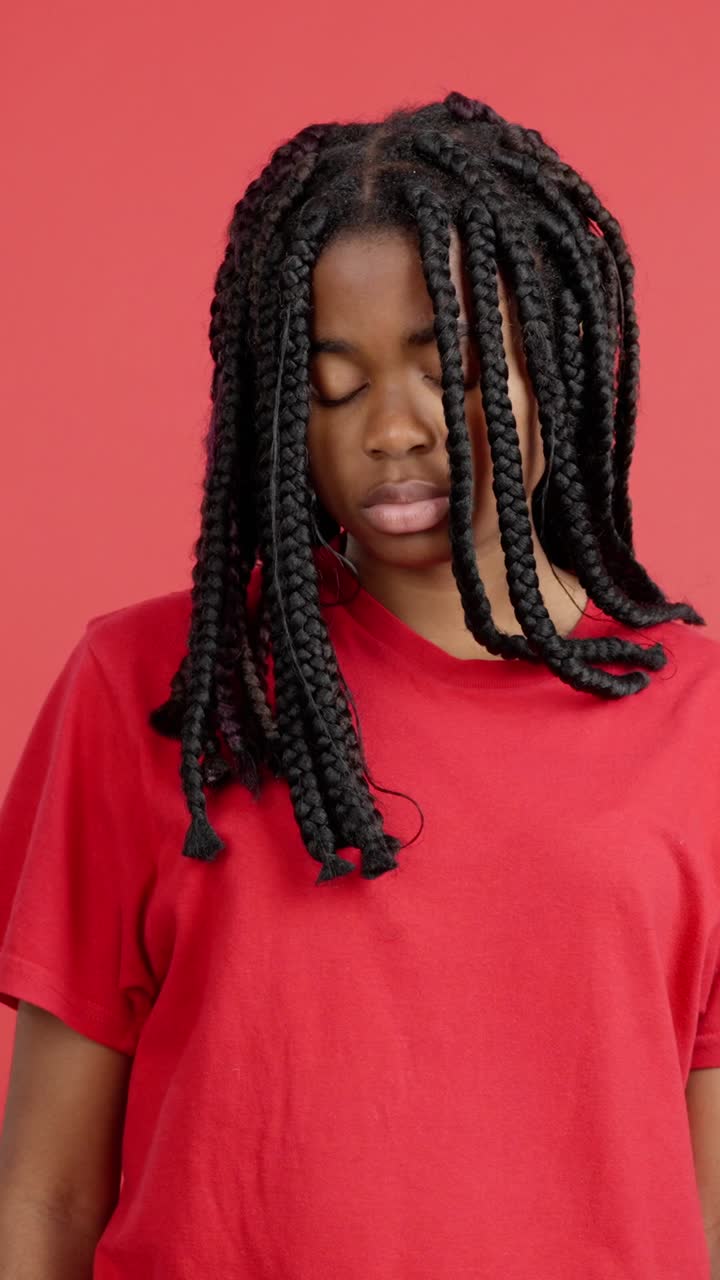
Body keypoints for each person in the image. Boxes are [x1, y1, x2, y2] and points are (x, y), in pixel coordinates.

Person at [0, 90, 719, 1279]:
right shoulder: (160, 688)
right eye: (331, 389)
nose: (393, 428)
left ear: (558, 362)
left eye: (452, 370)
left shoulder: (693, 721)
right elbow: (47, 1187)